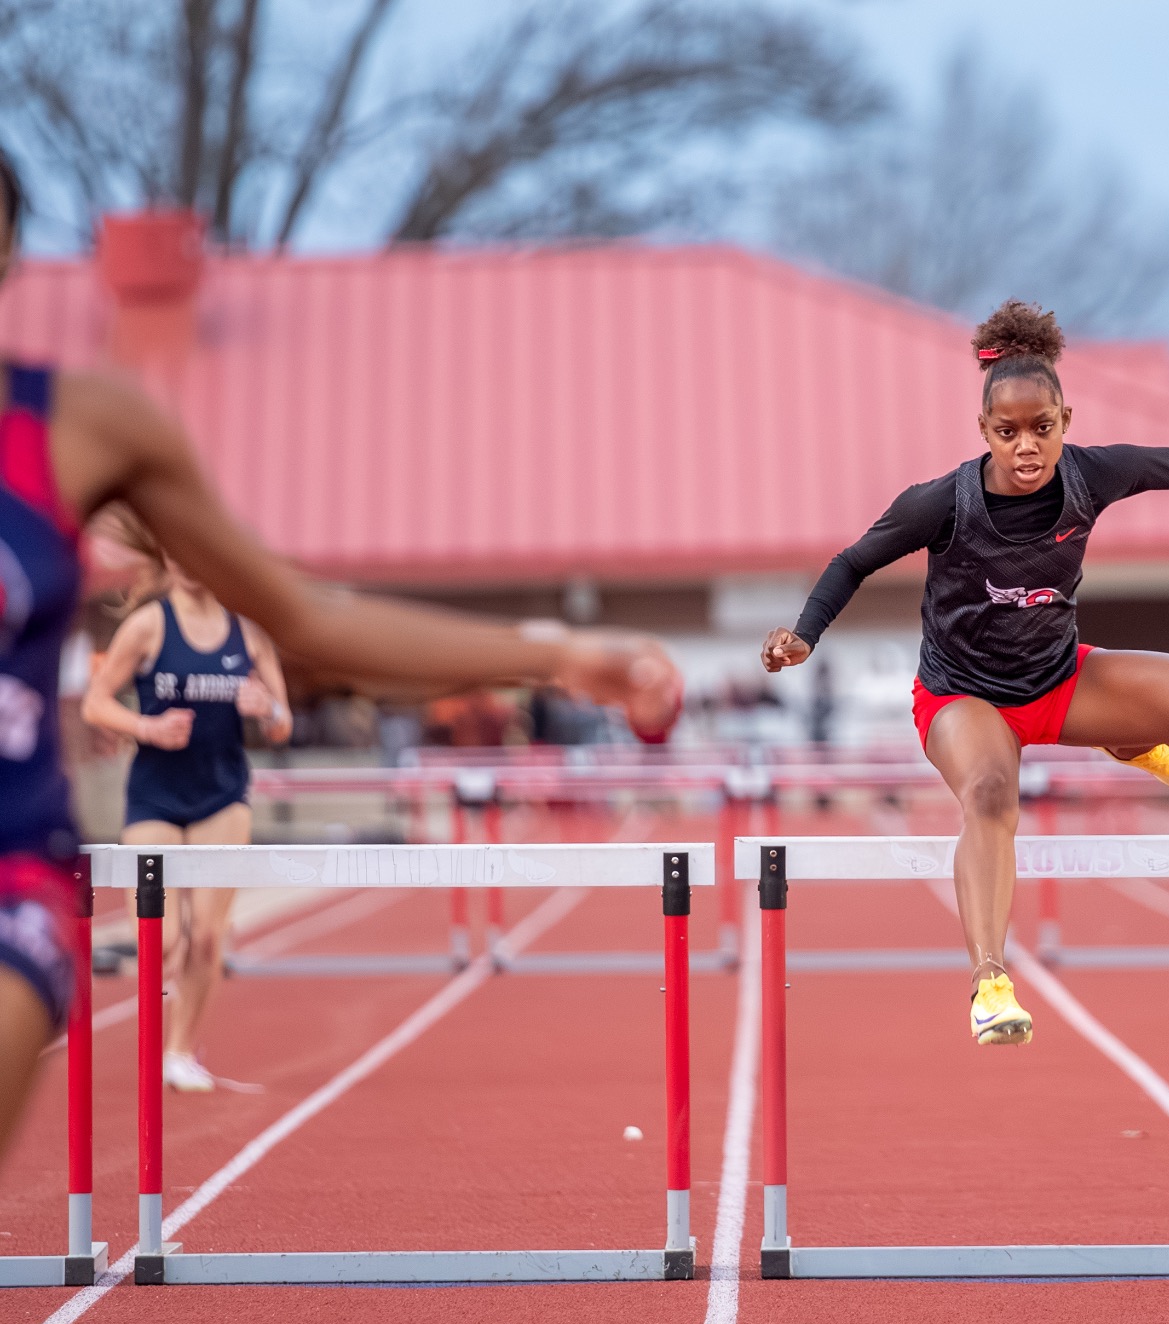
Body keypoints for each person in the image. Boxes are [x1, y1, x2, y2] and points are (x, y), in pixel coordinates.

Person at [0, 146, 681, 1159]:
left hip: (13, 865)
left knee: (188, 938)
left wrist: (551, 653)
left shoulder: (87, 426)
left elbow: (308, 622)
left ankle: (177, 1038)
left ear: (10, 249)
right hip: (152, 791)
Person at [761, 300, 1169, 1046]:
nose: (1026, 447)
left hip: (1060, 681)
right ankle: (989, 981)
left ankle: (1129, 740)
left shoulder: (1094, 476)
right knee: (988, 792)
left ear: (1065, 419)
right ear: (984, 432)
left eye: (1041, 427)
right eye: (1007, 433)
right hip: (963, 696)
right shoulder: (943, 502)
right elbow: (852, 560)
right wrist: (806, 636)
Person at [80, 512, 292, 1091]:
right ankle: (158, 1043)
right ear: (166, 559)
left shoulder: (248, 632)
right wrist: (146, 730)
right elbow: (95, 704)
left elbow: (282, 724)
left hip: (222, 794)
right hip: (155, 795)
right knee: (162, 934)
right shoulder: (149, 626)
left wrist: (264, 708)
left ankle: (179, 1051)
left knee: (206, 936)